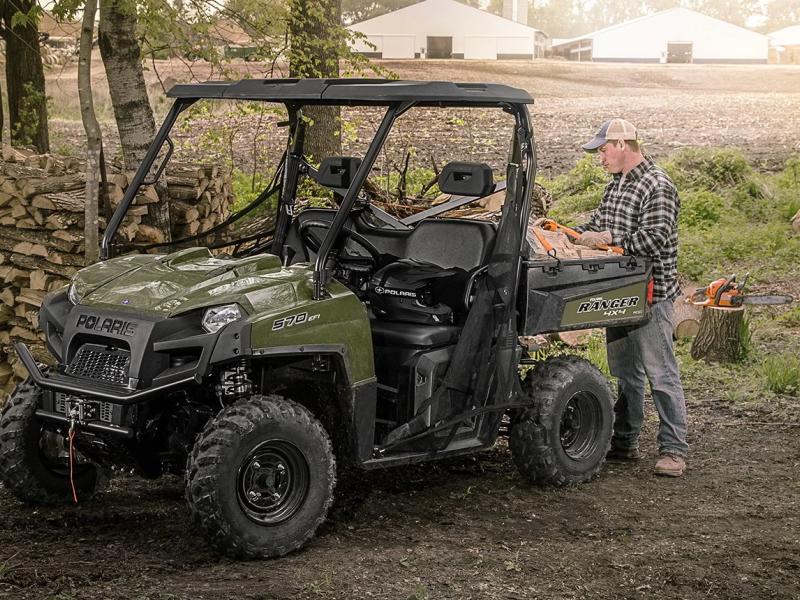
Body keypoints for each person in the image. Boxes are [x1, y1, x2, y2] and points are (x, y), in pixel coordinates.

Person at [573, 118, 689, 477]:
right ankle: (625, 441)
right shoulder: (616, 185)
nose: (600, 158)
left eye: (603, 150)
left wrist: (608, 240)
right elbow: (596, 224)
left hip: (651, 294)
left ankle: (674, 449)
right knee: (625, 372)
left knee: (661, 373)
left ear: (622, 144)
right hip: (620, 292)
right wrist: (566, 234)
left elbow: (653, 238)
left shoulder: (658, 185)